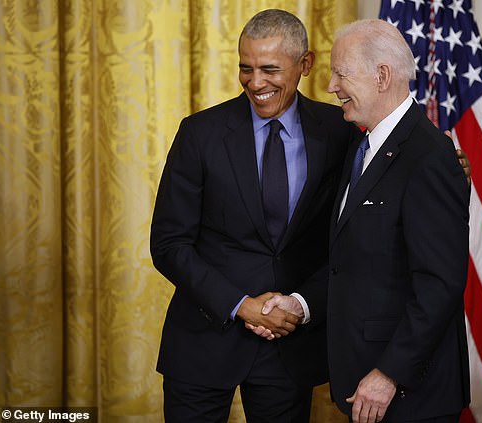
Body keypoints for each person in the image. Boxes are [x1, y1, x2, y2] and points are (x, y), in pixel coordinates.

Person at [150, 9, 358, 422]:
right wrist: (239, 304)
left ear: (305, 65)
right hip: (204, 341)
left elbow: (365, 217)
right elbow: (169, 244)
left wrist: (449, 164)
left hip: (289, 346)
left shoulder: (340, 130)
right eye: (246, 68)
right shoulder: (199, 134)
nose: (255, 82)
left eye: (269, 69)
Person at [325, 19, 470, 423]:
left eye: (341, 73)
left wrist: (390, 373)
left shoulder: (429, 157)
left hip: (409, 395)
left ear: (382, 75)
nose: (331, 86)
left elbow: (440, 284)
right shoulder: (362, 145)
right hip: (365, 385)